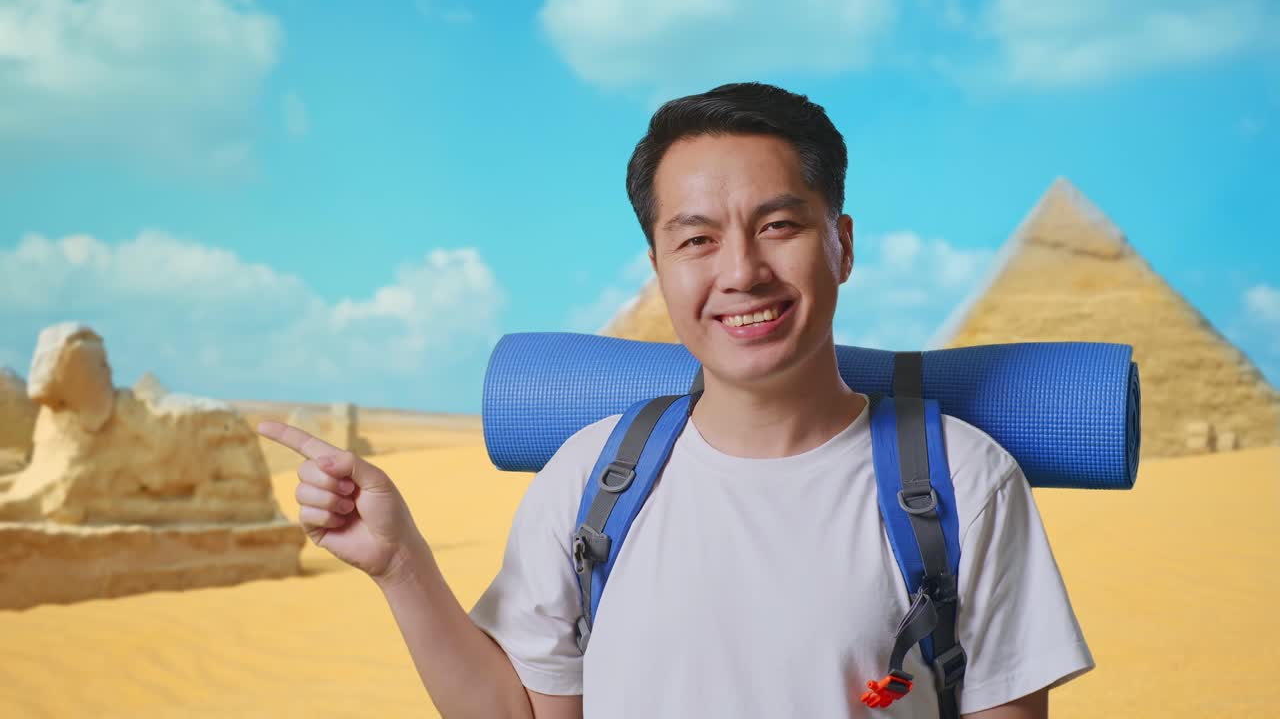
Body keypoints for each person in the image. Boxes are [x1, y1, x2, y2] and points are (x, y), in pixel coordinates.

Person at [258, 82, 1094, 718]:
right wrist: (401, 564)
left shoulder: (965, 483)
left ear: (841, 244)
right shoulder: (591, 477)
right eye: (696, 239)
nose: (741, 272)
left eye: (779, 225)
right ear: (658, 269)